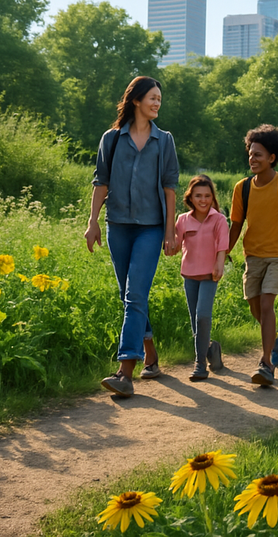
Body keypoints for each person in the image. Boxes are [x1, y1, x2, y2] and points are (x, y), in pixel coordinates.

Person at [85, 76, 179, 398]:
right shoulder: (111, 139)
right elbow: (101, 182)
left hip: (151, 229)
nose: (157, 103)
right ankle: (150, 355)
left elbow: (170, 188)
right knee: (130, 294)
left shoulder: (164, 141)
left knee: (135, 295)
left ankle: (125, 371)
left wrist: (170, 232)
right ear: (136, 100)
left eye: (159, 99)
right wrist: (93, 221)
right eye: (152, 98)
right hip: (118, 227)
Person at [227, 124, 278, 386]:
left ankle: (266, 364)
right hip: (253, 255)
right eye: (250, 153)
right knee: (255, 307)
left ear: (272, 158)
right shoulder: (242, 188)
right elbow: (236, 224)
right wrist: (224, 251)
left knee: (268, 305)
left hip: (277, 256)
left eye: (258, 154)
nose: (252, 158)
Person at [173, 175, 228, 381]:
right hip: (190, 274)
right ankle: (212, 349)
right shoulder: (183, 220)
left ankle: (200, 364)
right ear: (190, 197)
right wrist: (168, 239)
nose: (203, 200)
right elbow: (175, 247)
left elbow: (223, 244)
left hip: (209, 274)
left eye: (207, 195)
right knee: (195, 322)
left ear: (212, 197)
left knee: (203, 315)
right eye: (198, 196)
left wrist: (219, 264)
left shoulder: (219, 219)